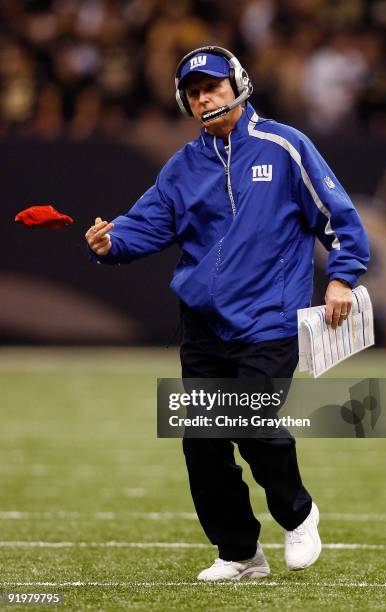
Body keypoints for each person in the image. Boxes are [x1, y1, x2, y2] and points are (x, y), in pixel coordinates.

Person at [85, 46, 370, 581]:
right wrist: (109, 242)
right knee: (202, 443)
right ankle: (240, 553)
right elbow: (144, 224)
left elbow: (340, 216)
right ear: (185, 103)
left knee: (251, 423)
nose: (204, 98)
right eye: (194, 93)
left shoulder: (285, 146)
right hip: (203, 327)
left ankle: (298, 513)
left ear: (237, 85)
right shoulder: (182, 167)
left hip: (269, 320)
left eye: (212, 86)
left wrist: (341, 277)